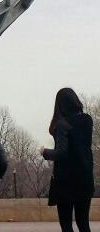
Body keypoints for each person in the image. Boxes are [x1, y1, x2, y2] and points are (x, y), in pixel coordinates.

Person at [40, 87, 95, 232]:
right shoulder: (87, 120)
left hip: (66, 181)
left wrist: (44, 152)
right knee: (83, 222)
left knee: (66, 224)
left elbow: (62, 153)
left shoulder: (62, 125)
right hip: (85, 178)